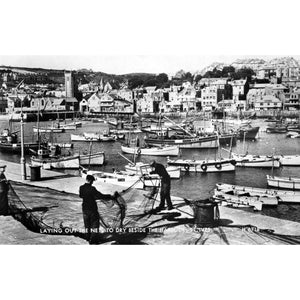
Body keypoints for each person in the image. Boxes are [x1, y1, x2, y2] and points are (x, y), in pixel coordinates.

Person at [79, 174, 118, 244]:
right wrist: (110, 196)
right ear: (90, 180)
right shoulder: (92, 188)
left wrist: (90, 197)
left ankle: (88, 238)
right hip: (92, 209)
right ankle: (93, 240)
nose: (93, 182)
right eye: (92, 181)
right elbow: (100, 195)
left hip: (84, 209)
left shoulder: (81, 188)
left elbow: (81, 195)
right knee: (94, 225)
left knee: (87, 224)